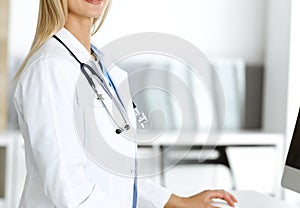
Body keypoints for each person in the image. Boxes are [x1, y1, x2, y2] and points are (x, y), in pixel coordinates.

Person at [13, 0, 238, 207]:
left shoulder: (103, 66)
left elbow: (119, 173)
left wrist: (177, 202)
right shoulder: (51, 69)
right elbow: (70, 191)